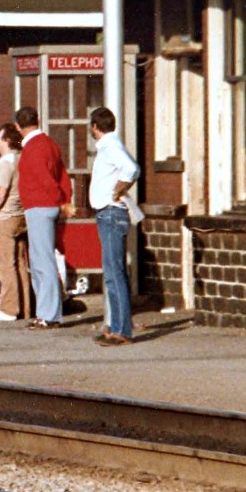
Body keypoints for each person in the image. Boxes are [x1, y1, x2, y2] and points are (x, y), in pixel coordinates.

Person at [15, 105, 73, 329]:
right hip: (48, 206)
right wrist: (63, 200)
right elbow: (62, 176)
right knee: (41, 259)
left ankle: (49, 315)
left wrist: (57, 199)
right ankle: (46, 312)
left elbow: (43, 179)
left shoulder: (32, 148)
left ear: (19, 127)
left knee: (42, 261)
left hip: (39, 205)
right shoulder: (49, 144)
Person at [88, 107, 140, 346]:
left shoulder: (110, 146)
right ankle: (115, 327)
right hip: (107, 213)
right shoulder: (109, 146)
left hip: (111, 213)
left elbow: (132, 168)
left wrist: (119, 189)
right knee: (111, 273)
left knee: (114, 272)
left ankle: (122, 330)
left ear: (95, 127)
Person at [0, 123, 30, 321]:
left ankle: (9, 309)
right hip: (20, 215)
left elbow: (2, 190)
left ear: (7, 140)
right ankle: (26, 308)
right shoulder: (21, 159)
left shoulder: (5, 162)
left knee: (5, 265)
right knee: (20, 264)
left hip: (4, 217)